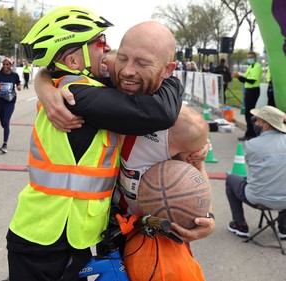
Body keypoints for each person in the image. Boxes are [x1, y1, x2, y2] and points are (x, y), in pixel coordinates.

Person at [7, 7, 185, 281]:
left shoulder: (82, 87)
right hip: (45, 238)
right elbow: (160, 112)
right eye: (100, 43)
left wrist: (41, 79)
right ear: (73, 60)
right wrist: (170, 77)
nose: (108, 49)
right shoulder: (78, 95)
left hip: (64, 236)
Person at [36, 20, 214, 280]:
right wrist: (45, 89)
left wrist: (206, 216)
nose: (128, 71)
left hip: (152, 237)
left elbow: (196, 172)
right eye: (123, 58)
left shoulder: (184, 127)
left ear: (168, 70)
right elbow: (49, 70)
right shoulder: (104, 81)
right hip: (102, 230)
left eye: (142, 63)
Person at [226, 105, 286, 238]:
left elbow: (254, 168)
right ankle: (284, 228)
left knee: (231, 179)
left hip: (259, 198)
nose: (255, 123)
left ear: (266, 125)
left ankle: (240, 225)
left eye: (257, 120)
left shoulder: (252, 144)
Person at [0, 57, 21, 153]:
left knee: (6, 121)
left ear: (11, 66)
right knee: (3, 123)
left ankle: (4, 144)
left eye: (7, 65)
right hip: (0, 100)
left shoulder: (14, 75)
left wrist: (19, 86)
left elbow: (18, 83)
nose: (5, 66)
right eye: (4, 65)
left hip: (10, 101)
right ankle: (6, 131)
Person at [232, 51, 263, 141]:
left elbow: (251, 81)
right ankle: (250, 132)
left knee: (249, 113)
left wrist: (239, 77)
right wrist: (238, 77)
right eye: (248, 57)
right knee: (247, 113)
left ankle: (251, 133)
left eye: (251, 57)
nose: (249, 59)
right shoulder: (250, 67)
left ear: (255, 58)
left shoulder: (257, 67)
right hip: (248, 91)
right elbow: (245, 80)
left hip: (253, 91)